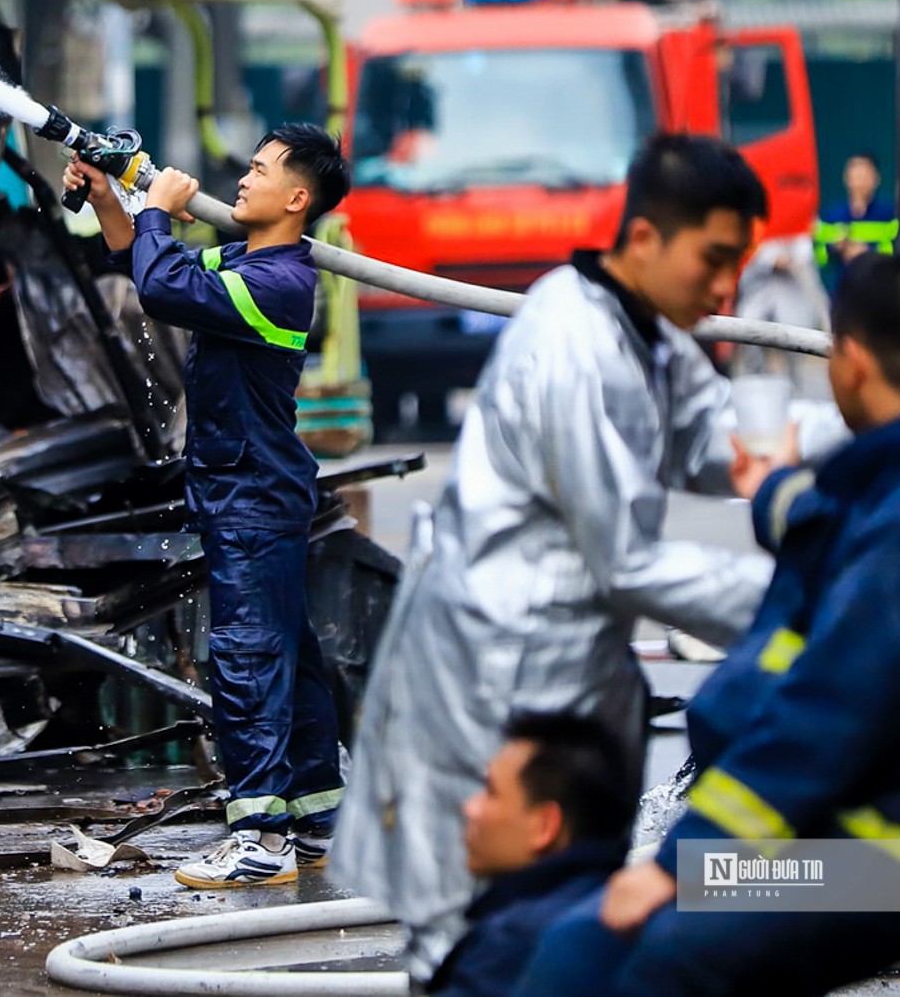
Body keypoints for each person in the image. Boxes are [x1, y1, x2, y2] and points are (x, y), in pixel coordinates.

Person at [335, 133, 811, 984]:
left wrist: (876, 447)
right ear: (643, 240)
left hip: (570, 683)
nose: (725, 286)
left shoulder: (653, 337)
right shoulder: (573, 343)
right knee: (471, 938)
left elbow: (728, 436)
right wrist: (805, 598)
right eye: (713, 258)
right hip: (493, 682)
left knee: (570, 924)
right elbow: (628, 558)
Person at [514, 248, 900, 997]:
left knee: (648, 958)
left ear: (851, 360)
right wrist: (773, 489)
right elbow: (835, 524)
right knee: (580, 941)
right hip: (883, 829)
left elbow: (821, 723)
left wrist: (678, 869)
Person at [64, 123, 351, 889]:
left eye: (259, 171)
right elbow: (147, 265)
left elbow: (165, 288)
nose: (244, 180)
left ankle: (259, 834)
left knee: (249, 659)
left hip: (253, 495)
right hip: (251, 488)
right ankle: (316, 815)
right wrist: (112, 204)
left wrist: (158, 205)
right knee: (289, 652)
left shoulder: (281, 283)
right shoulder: (246, 260)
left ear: (297, 197)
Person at [426, 712, 635, 997]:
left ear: (545, 826)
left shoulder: (512, 943)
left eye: (490, 792)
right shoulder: (607, 906)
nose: (470, 808)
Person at [813, 152, 898, 286]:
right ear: (847, 179)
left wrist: (868, 252)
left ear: (876, 179)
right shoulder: (832, 216)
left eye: (865, 176)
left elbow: (897, 251)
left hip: (879, 288)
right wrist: (835, 247)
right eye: (856, 176)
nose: (860, 183)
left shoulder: (888, 214)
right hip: (843, 288)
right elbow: (818, 256)